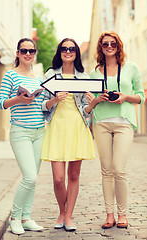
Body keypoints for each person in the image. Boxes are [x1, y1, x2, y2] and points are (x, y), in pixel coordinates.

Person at [89, 31, 145, 229]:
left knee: (119, 169)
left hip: (124, 122)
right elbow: (91, 102)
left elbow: (141, 96)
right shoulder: (95, 72)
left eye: (113, 43)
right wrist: (98, 98)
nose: (109, 46)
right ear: (101, 47)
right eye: (105, 44)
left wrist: (125, 97)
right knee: (106, 170)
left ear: (119, 45)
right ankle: (109, 215)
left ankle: (122, 214)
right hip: (102, 122)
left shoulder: (131, 68)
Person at [41, 38, 96, 231]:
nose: (68, 51)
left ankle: (69, 216)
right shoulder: (50, 74)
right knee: (58, 178)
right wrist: (54, 99)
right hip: (57, 126)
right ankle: (61, 211)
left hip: (77, 125)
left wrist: (93, 103)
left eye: (72, 48)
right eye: (64, 48)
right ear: (59, 52)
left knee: (73, 175)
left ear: (76, 53)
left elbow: (87, 110)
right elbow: (43, 105)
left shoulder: (84, 76)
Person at [0, 38, 45, 235]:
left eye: (31, 51)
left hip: (40, 131)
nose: (28, 54)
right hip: (20, 131)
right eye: (24, 51)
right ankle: (14, 218)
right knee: (29, 176)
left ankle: (26, 217)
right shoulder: (10, 75)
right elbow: (0, 103)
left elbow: (41, 106)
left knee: (33, 179)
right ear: (17, 53)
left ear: (35, 54)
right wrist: (19, 99)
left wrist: (53, 101)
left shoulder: (38, 78)